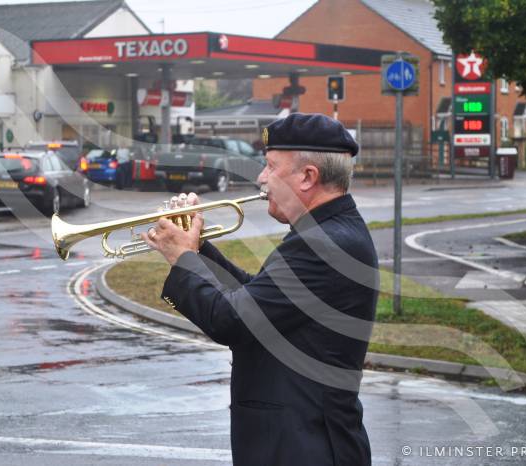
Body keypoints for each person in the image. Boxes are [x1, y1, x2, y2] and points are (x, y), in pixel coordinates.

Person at [142, 113, 378, 465]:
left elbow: (232, 320)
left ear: (307, 177)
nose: (261, 178)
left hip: (304, 446)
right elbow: (255, 298)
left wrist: (184, 258)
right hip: (299, 441)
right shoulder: (325, 232)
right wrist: (198, 248)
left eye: (270, 166)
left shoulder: (324, 243)